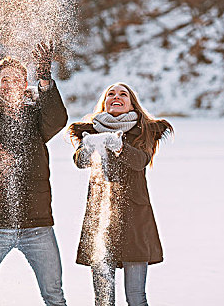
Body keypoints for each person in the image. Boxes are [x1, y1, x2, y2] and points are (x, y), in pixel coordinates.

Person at [0, 41, 68, 306]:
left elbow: (58, 119)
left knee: (54, 296)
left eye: (16, 79)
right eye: (4, 79)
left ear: (24, 83)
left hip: (37, 226)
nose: (10, 84)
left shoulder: (36, 117)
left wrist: (45, 81)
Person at [67, 83, 173, 306]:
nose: (116, 97)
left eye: (123, 94)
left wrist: (118, 146)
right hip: (101, 223)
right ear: (104, 103)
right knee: (103, 300)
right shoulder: (92, 131)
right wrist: (88, 147)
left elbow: (140, 161)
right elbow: (80, 162)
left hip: (135, 222)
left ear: (131, 102)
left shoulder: (145, 130)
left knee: (136, 297)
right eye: (110, 94)